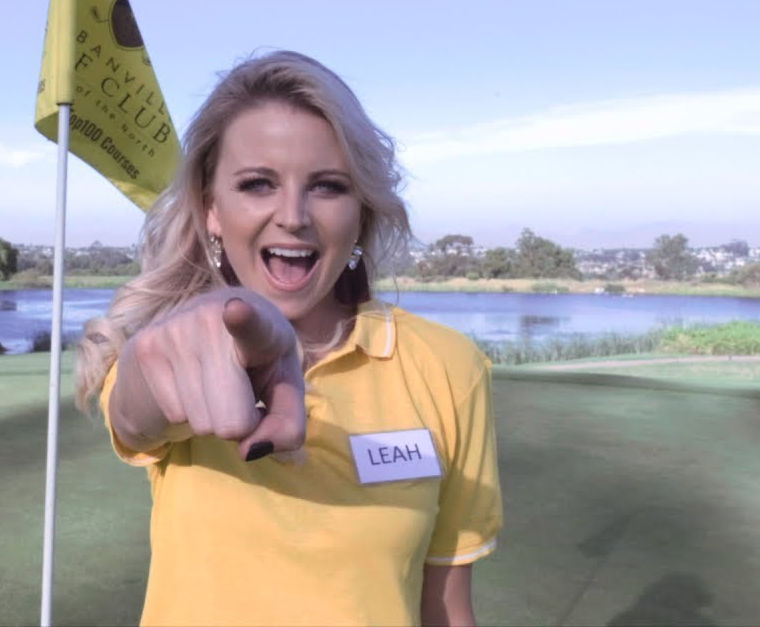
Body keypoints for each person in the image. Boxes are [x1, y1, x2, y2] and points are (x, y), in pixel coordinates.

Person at [75, 50, 503, 627]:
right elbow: (135, 414)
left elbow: (448, 606)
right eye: (257, 184)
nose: (293, 215)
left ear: (361, 214)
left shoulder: (448, 365)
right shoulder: (179, 342)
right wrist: (214, 323)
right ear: (212, 210)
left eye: (327, 186)